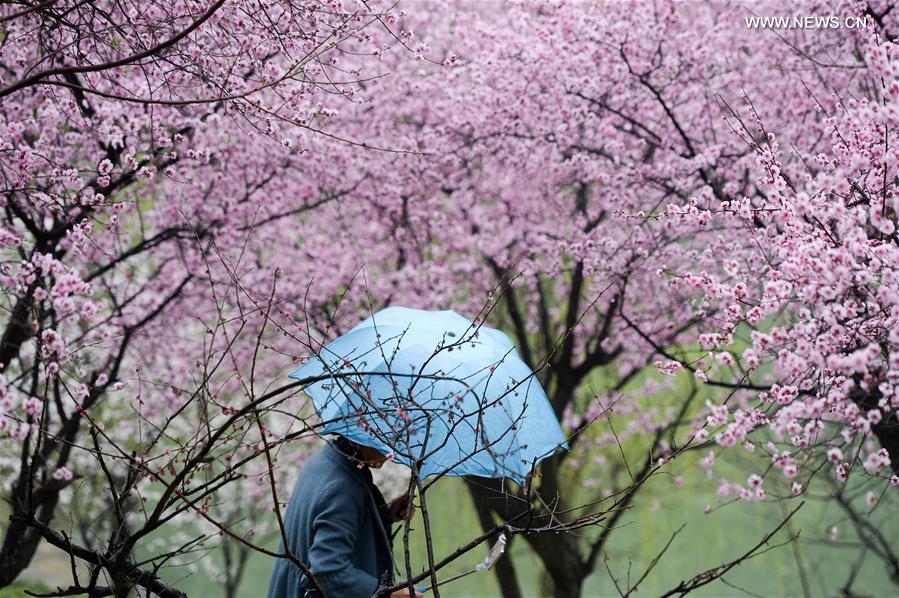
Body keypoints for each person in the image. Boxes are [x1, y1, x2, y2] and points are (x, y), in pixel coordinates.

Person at [267, 436, 424, 598]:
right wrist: (387, 595)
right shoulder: (343, 486)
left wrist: (387, 515)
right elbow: (329, 571)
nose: (390, 454)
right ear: (364, 436)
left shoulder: (326, 458)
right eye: (384, 442)